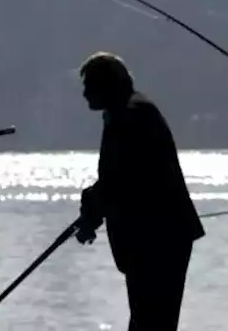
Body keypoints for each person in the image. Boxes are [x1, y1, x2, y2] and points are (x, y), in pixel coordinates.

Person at [73, 52, 204, 331]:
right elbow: (119, 181)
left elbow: (124, 179)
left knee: (151, 321)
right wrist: (93, 210)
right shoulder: (125, 112)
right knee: (150, 319)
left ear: (107, 85)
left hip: (159, 237)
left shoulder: (132, 115)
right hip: (155, 236)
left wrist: (91, 206)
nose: (84, 93)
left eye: (89, 85)